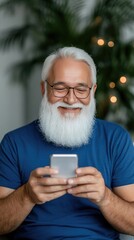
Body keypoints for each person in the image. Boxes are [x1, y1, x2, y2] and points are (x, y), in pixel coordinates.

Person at [0, 46, 134, 240]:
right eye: (60, 87)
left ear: (93, 90)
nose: (71, 99)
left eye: (81, 89)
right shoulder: (14, 142)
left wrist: (104, 197)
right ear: (44, 88)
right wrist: (27, 195)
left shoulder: (115, 139)